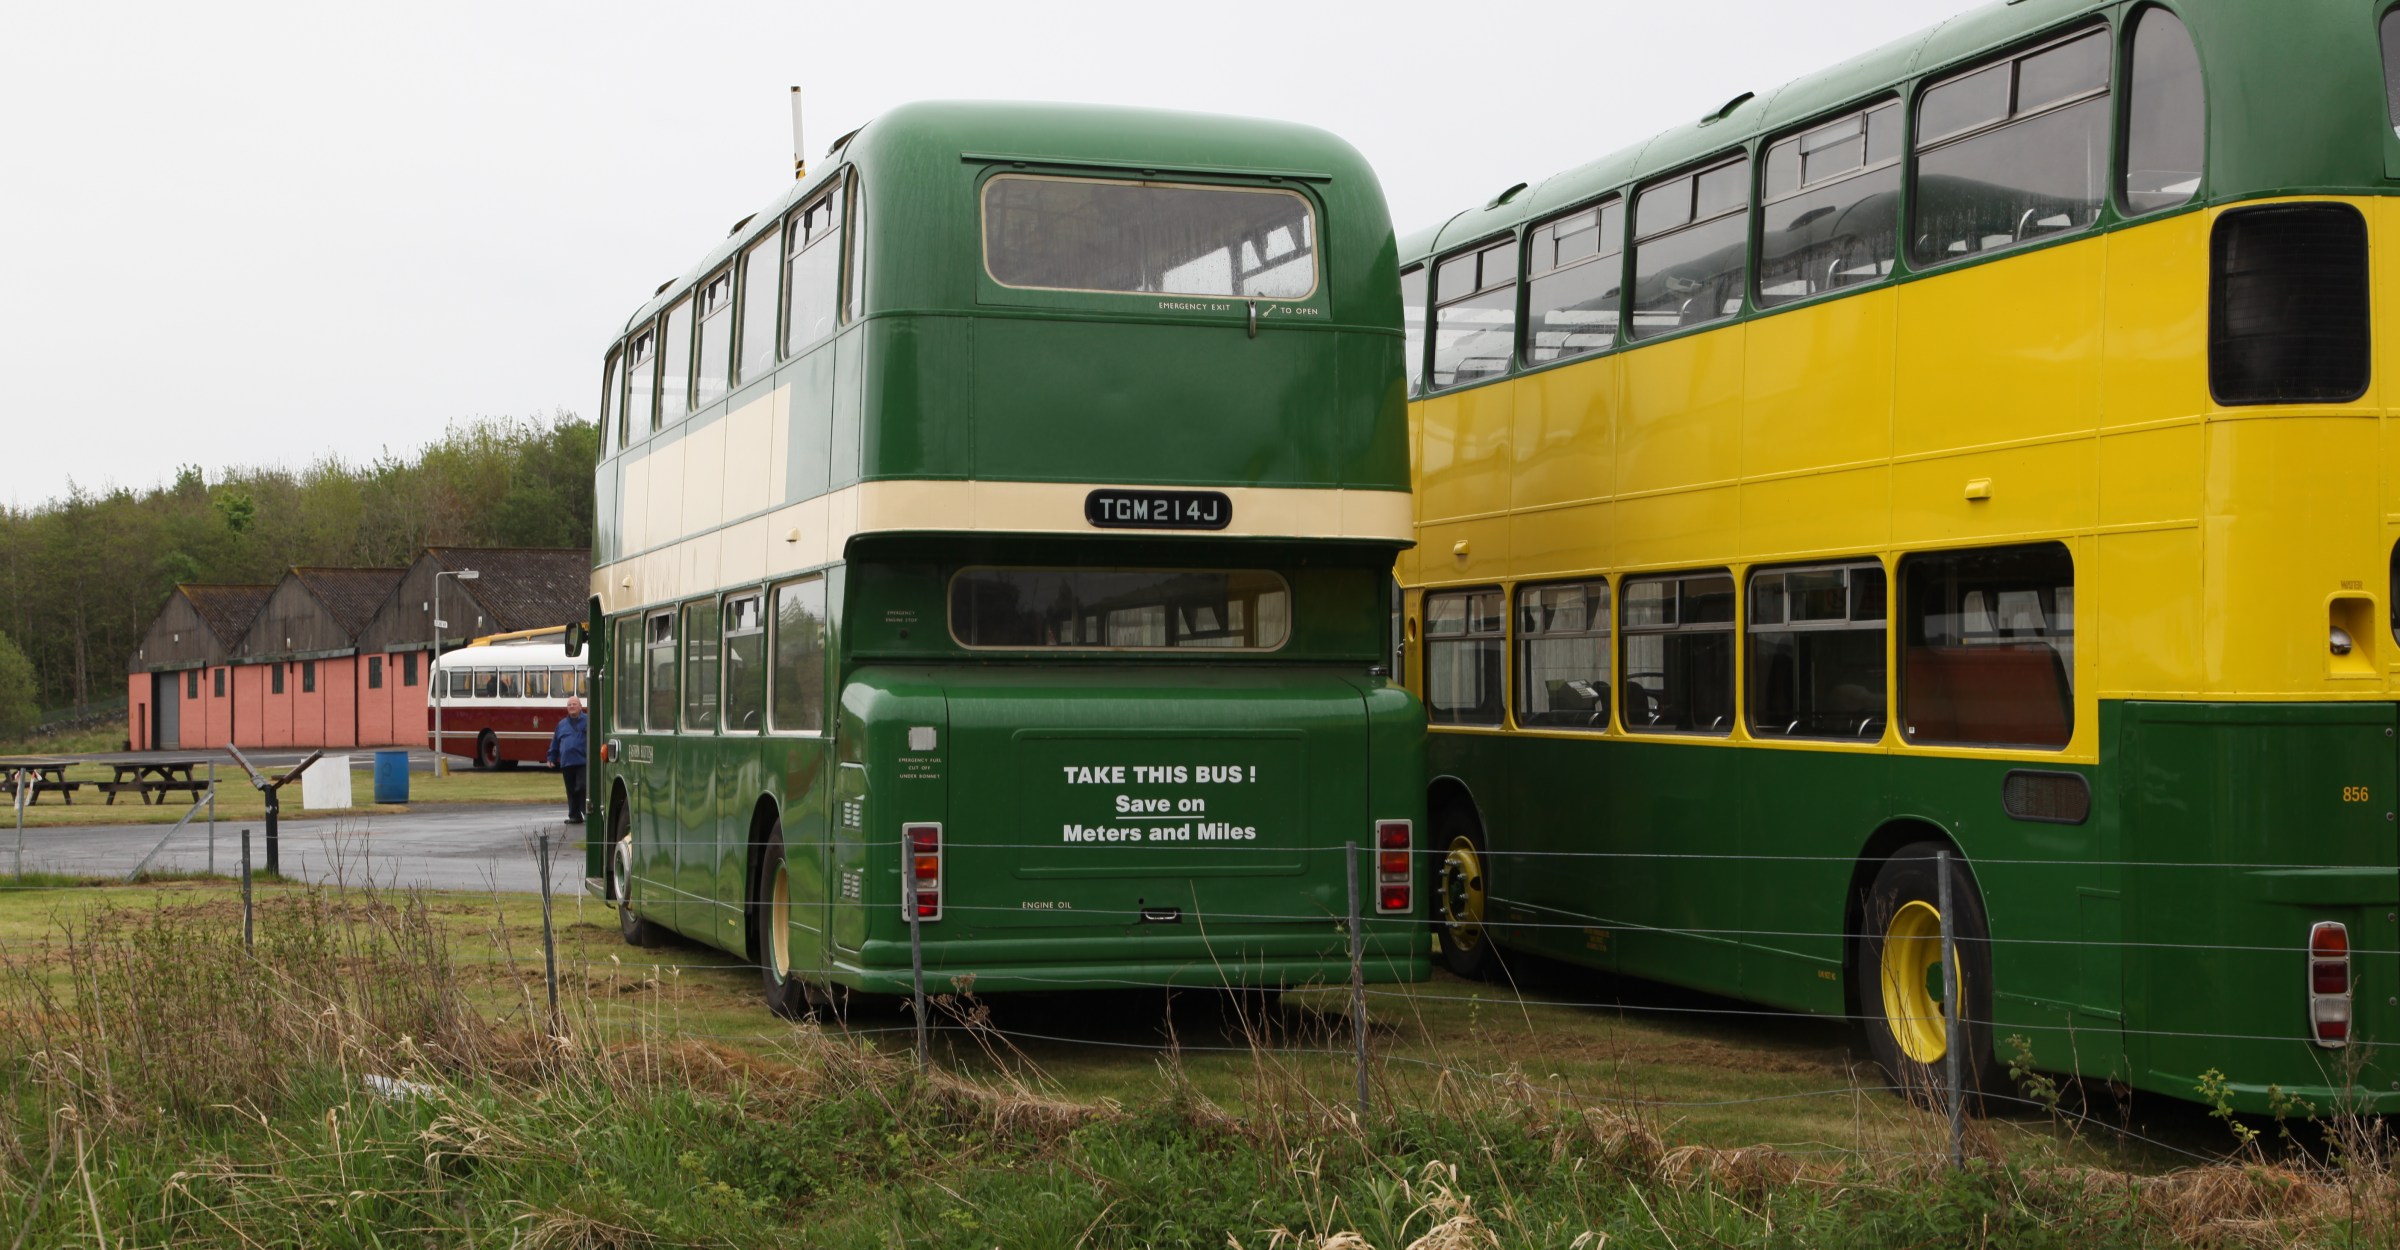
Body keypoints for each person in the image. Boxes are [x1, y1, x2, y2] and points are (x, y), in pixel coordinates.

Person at [546, 696, 589, 823]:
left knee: (582, 787)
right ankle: (574, 816)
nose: (571, 706)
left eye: (574, 704)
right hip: (567, 762)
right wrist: (551, 757)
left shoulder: (588, 721)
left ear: (580, 706)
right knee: (570, 790)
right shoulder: (561, 724)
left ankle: (587, 812)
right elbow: (555, 742)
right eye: (569, 705)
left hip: (583, 762)